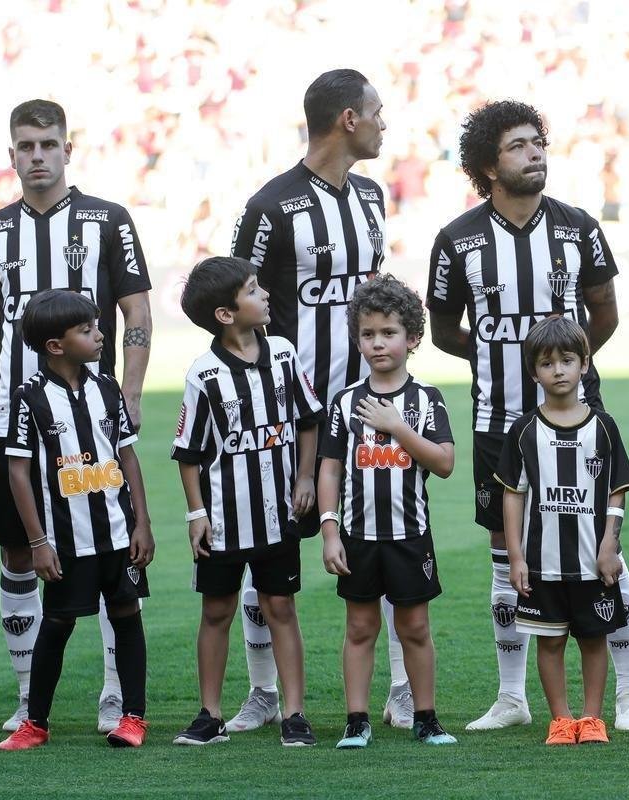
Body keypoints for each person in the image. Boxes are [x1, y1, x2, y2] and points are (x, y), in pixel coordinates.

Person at [427, 100, 629, 731]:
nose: (535, 154)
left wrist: (563, 375)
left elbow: (603, 313)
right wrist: (511, 365)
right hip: (499, 420)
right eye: (519, 146)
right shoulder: (458, 240)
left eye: (538, 143)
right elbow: (445, 330)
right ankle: (513, 697)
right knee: (508, 551)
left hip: (580, 420)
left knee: (604, 551)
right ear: (487, 165)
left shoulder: (578, 227)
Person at [0, 99, 152, 734]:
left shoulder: (109, 220)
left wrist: (128, 389)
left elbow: (136, 312)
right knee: (19, 551)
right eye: (25, 146)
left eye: (48, 144)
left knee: (105, 545)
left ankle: (113, 696)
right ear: (11, 154)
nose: (37, 155)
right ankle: (26, 696)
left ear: (69, 149)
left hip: (89, 415)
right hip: (17, 412)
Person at [230, 68, 410, 730]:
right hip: (281, 411)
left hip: (366, 407)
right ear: (348, 120)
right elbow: (234, 301)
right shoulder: (271, 206)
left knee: (384, 542)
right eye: (378, 112)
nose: (385, 123)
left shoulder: (371, 197)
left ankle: (396, 690)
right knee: (265, 549)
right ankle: (262, 691)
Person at [169, 256, 323, 747]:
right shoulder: (204, 375)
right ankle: (209, 715)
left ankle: (294, 713)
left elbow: (307, 421)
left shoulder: (282, 353)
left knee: (281, 607)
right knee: (217, 610)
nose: (266, 296)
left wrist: (304, 478)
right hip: (224, 520)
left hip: (280, 516)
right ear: (225, 314)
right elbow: (189, 454)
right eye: (254, 291)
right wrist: (197, 514)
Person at [0, 288, 153, 750]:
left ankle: (133, 718)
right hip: (67, 539)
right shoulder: (29, 399)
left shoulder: (108, 387)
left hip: (118, 534)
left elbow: (127, 457)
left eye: (97, 325)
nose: (101, 335)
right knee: (58, 623)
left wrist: (142, 522)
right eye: (87, 330)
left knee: (126, 615)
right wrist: (39, 541)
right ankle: (35, 723)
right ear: (56, 346)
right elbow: (18, 475)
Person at [319, 274, 458, 747]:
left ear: (413, 337)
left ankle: (426, 717)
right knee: (360, 626)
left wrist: (397, 427)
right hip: (357, 536)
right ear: (357, 338)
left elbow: (443, 464)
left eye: (389, 333)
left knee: (414, 627)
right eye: (368, 334)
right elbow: (331, 470)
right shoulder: (344, 403)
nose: (378, 343)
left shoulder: (426, 400)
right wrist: (330, 530)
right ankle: (356, 720)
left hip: (409, 535)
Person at [499, 316, 629, 745]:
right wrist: (517, 557)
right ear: (533, 371)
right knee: (550, 642)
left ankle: (592, 719)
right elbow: (513, 495)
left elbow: (617, 492)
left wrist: (609, 546)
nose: (558, 370)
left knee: (594, 641)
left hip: (592, 561)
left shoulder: (603, 426)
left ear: (584, 364)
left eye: (567, 360)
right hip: (543, 562)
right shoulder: (523, 430)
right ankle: (560, 720)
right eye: (547, 363)